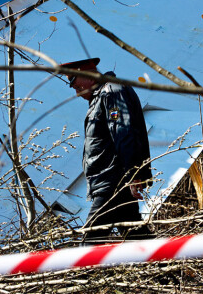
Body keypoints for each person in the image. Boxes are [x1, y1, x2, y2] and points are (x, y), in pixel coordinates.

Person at [61, 57, 154, 244]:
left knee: (90, 241)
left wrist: (133, 174)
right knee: (137, 238)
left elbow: (124, 132)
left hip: (113, 182)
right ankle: (166, 269)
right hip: (112, 181)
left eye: (75, 84)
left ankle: (81, 273)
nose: (76, 91)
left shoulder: (111, 92)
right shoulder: (102, 95)